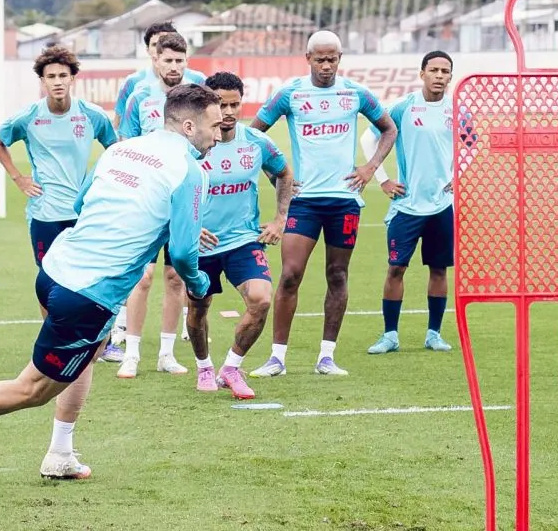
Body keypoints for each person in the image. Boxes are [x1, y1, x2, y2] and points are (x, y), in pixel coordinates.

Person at [0, 84, 221, 473]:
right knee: (32, 389)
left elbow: (81, 203)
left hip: (55, 269)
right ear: (189, 126)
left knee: (90, 353)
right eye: (214, 126)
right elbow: (182, 254)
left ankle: (60, 454)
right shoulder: (189, 171)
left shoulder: (120, 150)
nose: (219, 134)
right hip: (87, 294)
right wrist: (199, 286)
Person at [0, 46, 119, 479]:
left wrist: (102, 185)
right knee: (50, 286)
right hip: (45, 216)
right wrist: (18, 177)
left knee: (86, 283)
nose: (58, 82)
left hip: (82, 216)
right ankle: (58, 344)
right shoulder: (29, 117)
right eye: (51, 76)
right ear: (42, 81)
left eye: (63, 75)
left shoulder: (92, 116)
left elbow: (116, 150)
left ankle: (95, 339)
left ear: (73, 78)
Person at [248, 30, 398, 378]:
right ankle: (277, 358)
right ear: (308, 58)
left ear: (340, 59)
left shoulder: (355, 93)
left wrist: (370, 168)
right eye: (320, 59)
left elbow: (388, 129)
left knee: (337, 274)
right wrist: (279, 178)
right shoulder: (290, 94)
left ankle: (326, 357)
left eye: (332, 59)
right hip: (304, 202)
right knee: (290, 275)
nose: (327, 66)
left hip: (344, 201)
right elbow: (254, 136)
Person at [186, 72, 294, 399]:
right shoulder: (191, 147)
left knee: (261, 299)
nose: (229, 112)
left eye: (235, 104)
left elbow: (284, 173)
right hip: (199, 245)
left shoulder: (256, 142)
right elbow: (167, 189)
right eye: (221, 104)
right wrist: (188, 227)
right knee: (198, 310)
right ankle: (204, 366)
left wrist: (280, 219)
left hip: (243, 241)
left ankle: (231, 367)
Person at [109, 22, 207, 345]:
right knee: (143, 274)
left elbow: (211, 136)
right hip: (149, 197)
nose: (174, 66)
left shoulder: (200, 91)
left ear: (187, 60)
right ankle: (128, 340)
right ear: (155, 59)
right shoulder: (139, 94)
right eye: (168, 60)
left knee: (176, 273)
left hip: (184, 194)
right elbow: (125, 141)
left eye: (180, 60)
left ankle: (169, 350)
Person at [361, 50, 457, 355]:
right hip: (407, 205)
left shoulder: (456, 110)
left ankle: (434, 334)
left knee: (439, 270)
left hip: (442, 205)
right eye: (434, 70)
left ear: (450, 76)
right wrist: (383, 179)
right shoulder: (403, 107)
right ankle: (390, 335)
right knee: (396, 269)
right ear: (422, 73)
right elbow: (368, 138)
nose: (439, 76)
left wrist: (459, 175)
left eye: (445, 71)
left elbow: (472, 143)